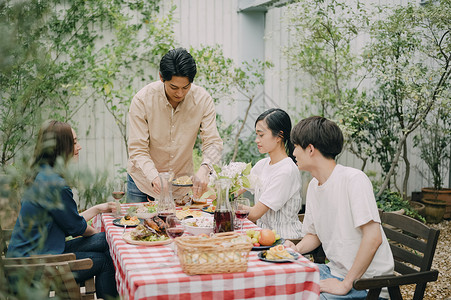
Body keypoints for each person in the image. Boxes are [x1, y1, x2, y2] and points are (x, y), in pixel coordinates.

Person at [284, 116, 394, 299]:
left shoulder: (353, 180)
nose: (293, 152)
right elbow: (314, 234)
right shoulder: (313, 185)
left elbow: (373, 238)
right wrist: (296, 250)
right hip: (335, 272)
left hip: (368, 284)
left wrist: (345, 284)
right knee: (283, 282)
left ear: (310, 149)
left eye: (296, 146)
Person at [7, 120, 119, 299]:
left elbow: (69, 220)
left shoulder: (43, 175)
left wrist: (98, 209)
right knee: (107, 258)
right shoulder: (56, 185)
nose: (79, 147)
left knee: (108, 241)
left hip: (29, 259)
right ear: (61, 147)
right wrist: (96, 232)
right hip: (35, 270)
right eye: (74, 142)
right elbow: (78, 229)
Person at [127, 47, 223, 203]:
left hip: (181, 187)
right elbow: (138, 149)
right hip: (143, 184)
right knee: (136, 227)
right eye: (173, 87)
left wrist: (206, 168)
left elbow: (213, 143)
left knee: (177, 227)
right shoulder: (142, 100)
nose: (180, 93)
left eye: (186, 87)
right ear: (161, 77)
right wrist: (154, 176)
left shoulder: (202, 100)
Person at [246, 108, 303, 240]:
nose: (257, 140)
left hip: (284, 240)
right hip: (261, 237)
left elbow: (254, 214)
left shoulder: (286, 171)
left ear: (279, 136)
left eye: (261, 135)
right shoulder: (262, 165)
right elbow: (236, 188)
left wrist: (229, 206)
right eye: (256, 135)